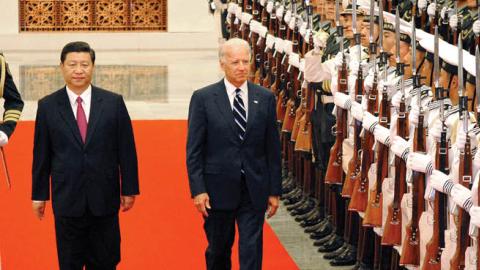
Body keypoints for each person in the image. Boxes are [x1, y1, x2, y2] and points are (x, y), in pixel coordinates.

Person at [31, 41, 139, 270]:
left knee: (106, 261)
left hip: (104, 199)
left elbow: (126, 150)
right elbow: (41, 154)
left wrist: (129, 188)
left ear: (93, 66)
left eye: (84, 64)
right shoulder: (48, 106)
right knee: (69, 263)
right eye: (72, 64)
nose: (78, 70)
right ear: (61, 67)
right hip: (67, 199)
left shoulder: (113, 103)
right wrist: (39, 194)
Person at [186, 38, 281, 270]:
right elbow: (194, 150)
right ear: (222, 64)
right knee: (219, 249)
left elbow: (272, 149)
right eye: (235, 62)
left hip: (254, 187)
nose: (241, 67)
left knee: (251, 249)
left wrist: (274, 190)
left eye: (246, 62)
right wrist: (198, 190)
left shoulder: (265, 98)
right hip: (217, 189)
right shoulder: (203, 98)